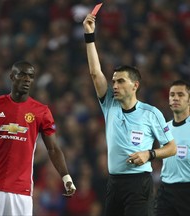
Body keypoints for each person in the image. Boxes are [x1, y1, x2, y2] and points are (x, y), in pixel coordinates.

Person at [82, 14, 177, 216]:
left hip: (139, 183)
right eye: (114, 81)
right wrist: (89, 36)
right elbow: (94, 72)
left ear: (135, 85)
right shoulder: (109, 104)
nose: (114, 85)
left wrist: (149, 154)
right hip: (114, 182)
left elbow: (171, 147)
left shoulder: (151, 113)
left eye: (120, 81)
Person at [0, 60, 76, 216]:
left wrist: (66, 177)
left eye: (30, 76)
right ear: (11, 76)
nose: (27, 79)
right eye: (22, 74)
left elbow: (53, 149)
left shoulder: (41, 111)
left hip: (21, 190)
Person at [154, 80, 190, 216]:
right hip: (166, 191)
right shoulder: (165, 128)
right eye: (172, 95)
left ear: (189, 100)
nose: (175, 98)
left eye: (180, 95)